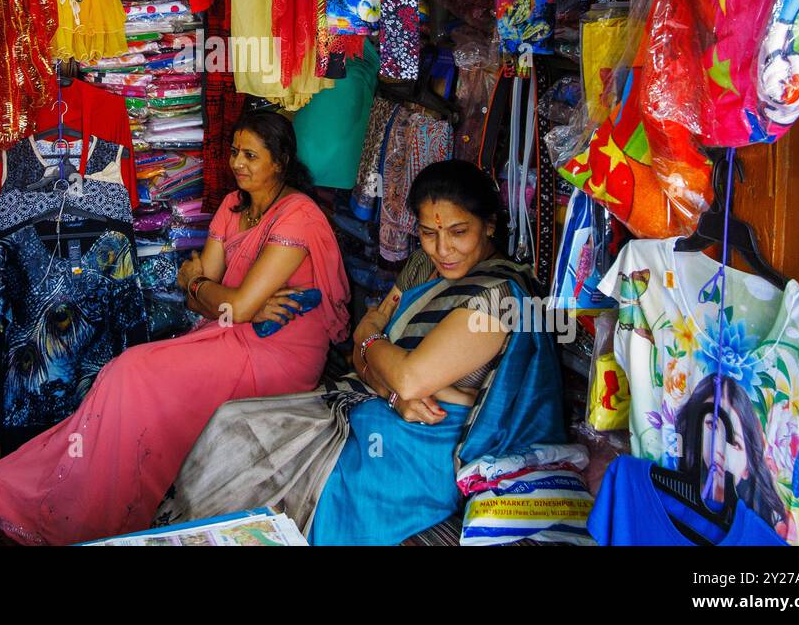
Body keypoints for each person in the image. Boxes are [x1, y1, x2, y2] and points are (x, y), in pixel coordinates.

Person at [0, 110, 351, 544]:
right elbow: (207, 300)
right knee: (123, 372)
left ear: (280, 162)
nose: (238, 163)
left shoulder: (297, 217)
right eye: (233, 152)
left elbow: (229, 301)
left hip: (280, 352)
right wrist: (212, 292)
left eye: (251, 155)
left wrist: (204, 285)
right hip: (227, 334)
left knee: (132, 372)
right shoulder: (233, 205)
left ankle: (101, 512)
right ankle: (75, 501)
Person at [159, 159, 566, 545]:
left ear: (489, 225)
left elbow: (405, 373)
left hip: (423, 448)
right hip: (374, 405)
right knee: (234, 426)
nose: (443, 248)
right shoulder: (424, 268)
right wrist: (387, 382)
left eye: (459, 232)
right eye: (428, 232)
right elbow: (366, 359)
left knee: (315, 489)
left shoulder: (499, 298)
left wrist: (373, 339)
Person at [675, 375, 788, 536]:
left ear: (747, 468)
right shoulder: (673, 497)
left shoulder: (762, 532)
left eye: (736, 444)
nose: (720, 448)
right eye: (712, 425)